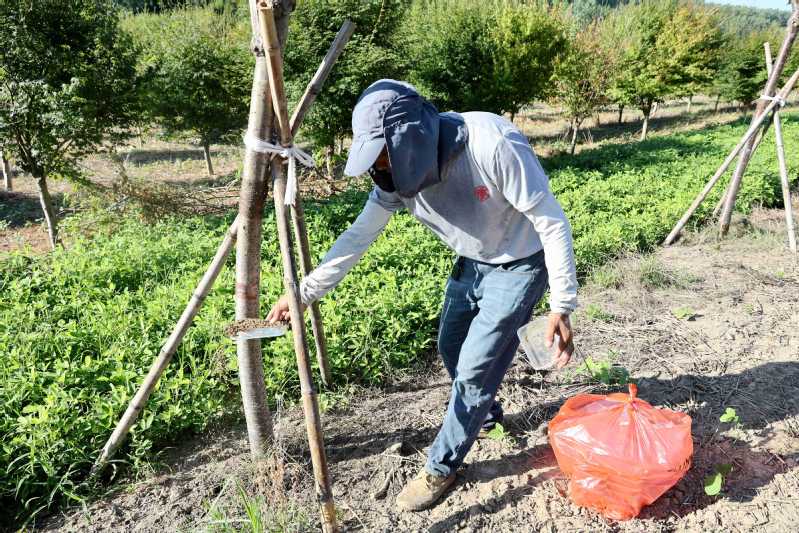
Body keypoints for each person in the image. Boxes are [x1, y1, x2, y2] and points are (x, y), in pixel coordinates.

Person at [267, 79, 578, 511]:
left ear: (409, 139)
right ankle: (484, 415)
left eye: (382, 156)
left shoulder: (492, 144)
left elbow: (549, 219)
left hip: (521, 263)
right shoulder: (393, 178)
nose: (379, 170)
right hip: (473, 261)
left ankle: (442, 467)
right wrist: (302, 293)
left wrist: (561, 304)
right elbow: (359, 235)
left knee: (473, 371)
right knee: (450, 345)